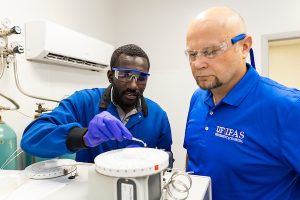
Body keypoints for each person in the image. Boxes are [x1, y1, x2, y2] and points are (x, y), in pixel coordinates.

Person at [183, 6, 300, 200]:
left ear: (244, 47)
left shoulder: (288, 108)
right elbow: (194, 155)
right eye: (192, 54)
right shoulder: (198, 98)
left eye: (211, 51)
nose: (198, 63)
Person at [21, 44, 172, 163]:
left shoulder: (158, 116)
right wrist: (83, 136)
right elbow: (31, 139)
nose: (133, 85)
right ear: (110, 76)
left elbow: (166, 159)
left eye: (141, 77)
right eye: (125, 75)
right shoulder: (83, 102)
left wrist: (148, 160)